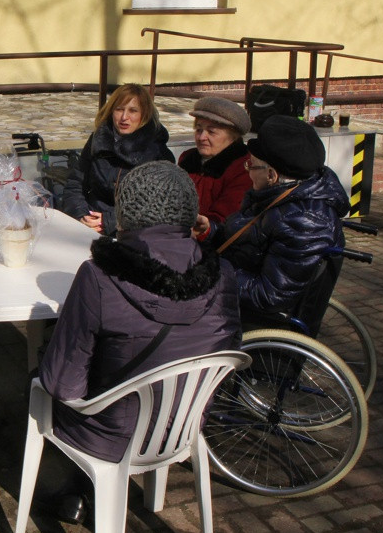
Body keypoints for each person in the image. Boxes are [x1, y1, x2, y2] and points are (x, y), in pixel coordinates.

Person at [40, 160, 241, 466]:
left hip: (110, 436)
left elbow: (63, 386)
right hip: (184, 427)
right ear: (188, 212)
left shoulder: (100, 276)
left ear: (125, 212)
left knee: (40, 377)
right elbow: (228, 348)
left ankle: (76, 490)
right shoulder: (223, 273)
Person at [195, 115, 350, 330]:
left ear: (271, 175)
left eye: (251, 165)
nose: (247, 171)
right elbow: (251, 239)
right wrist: (211, 230)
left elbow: (269, 295)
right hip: (235, 286)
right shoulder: (279, 198)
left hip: (255, 320)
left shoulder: (304, 222)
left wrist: (209, 276)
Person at [62, 83, 175, 236]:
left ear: (144, 114)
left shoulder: (157, 152)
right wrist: (82, 216)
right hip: (90, 225)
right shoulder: (98, 140)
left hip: (133, 235)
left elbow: (157, 206)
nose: (124, 117)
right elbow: (75, 184)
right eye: (119, 109)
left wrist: (110, 222)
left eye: (133, 111)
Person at [178, 96, 252, 232]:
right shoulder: (187, 159)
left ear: (232, 137)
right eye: (199, 129)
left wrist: (204, 228)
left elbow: (225, 217)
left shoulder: (244, 169)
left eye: (211, 132)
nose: (201, 137)